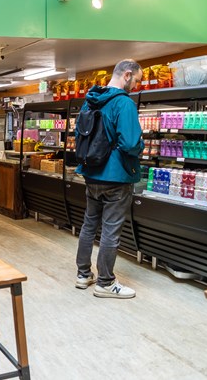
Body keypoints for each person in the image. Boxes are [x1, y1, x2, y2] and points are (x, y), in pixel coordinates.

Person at [75, 59, 144, 299]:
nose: (136, 86)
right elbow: (130, 143)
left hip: (91, 173)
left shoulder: (90, 100)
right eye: (136, 80)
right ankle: (105, 282)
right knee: (110, 231)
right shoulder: (123, 103)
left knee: (89, 224)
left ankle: (83, 274)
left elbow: (80, 135)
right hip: (115, 177)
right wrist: (141, 145)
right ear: (127, 75)